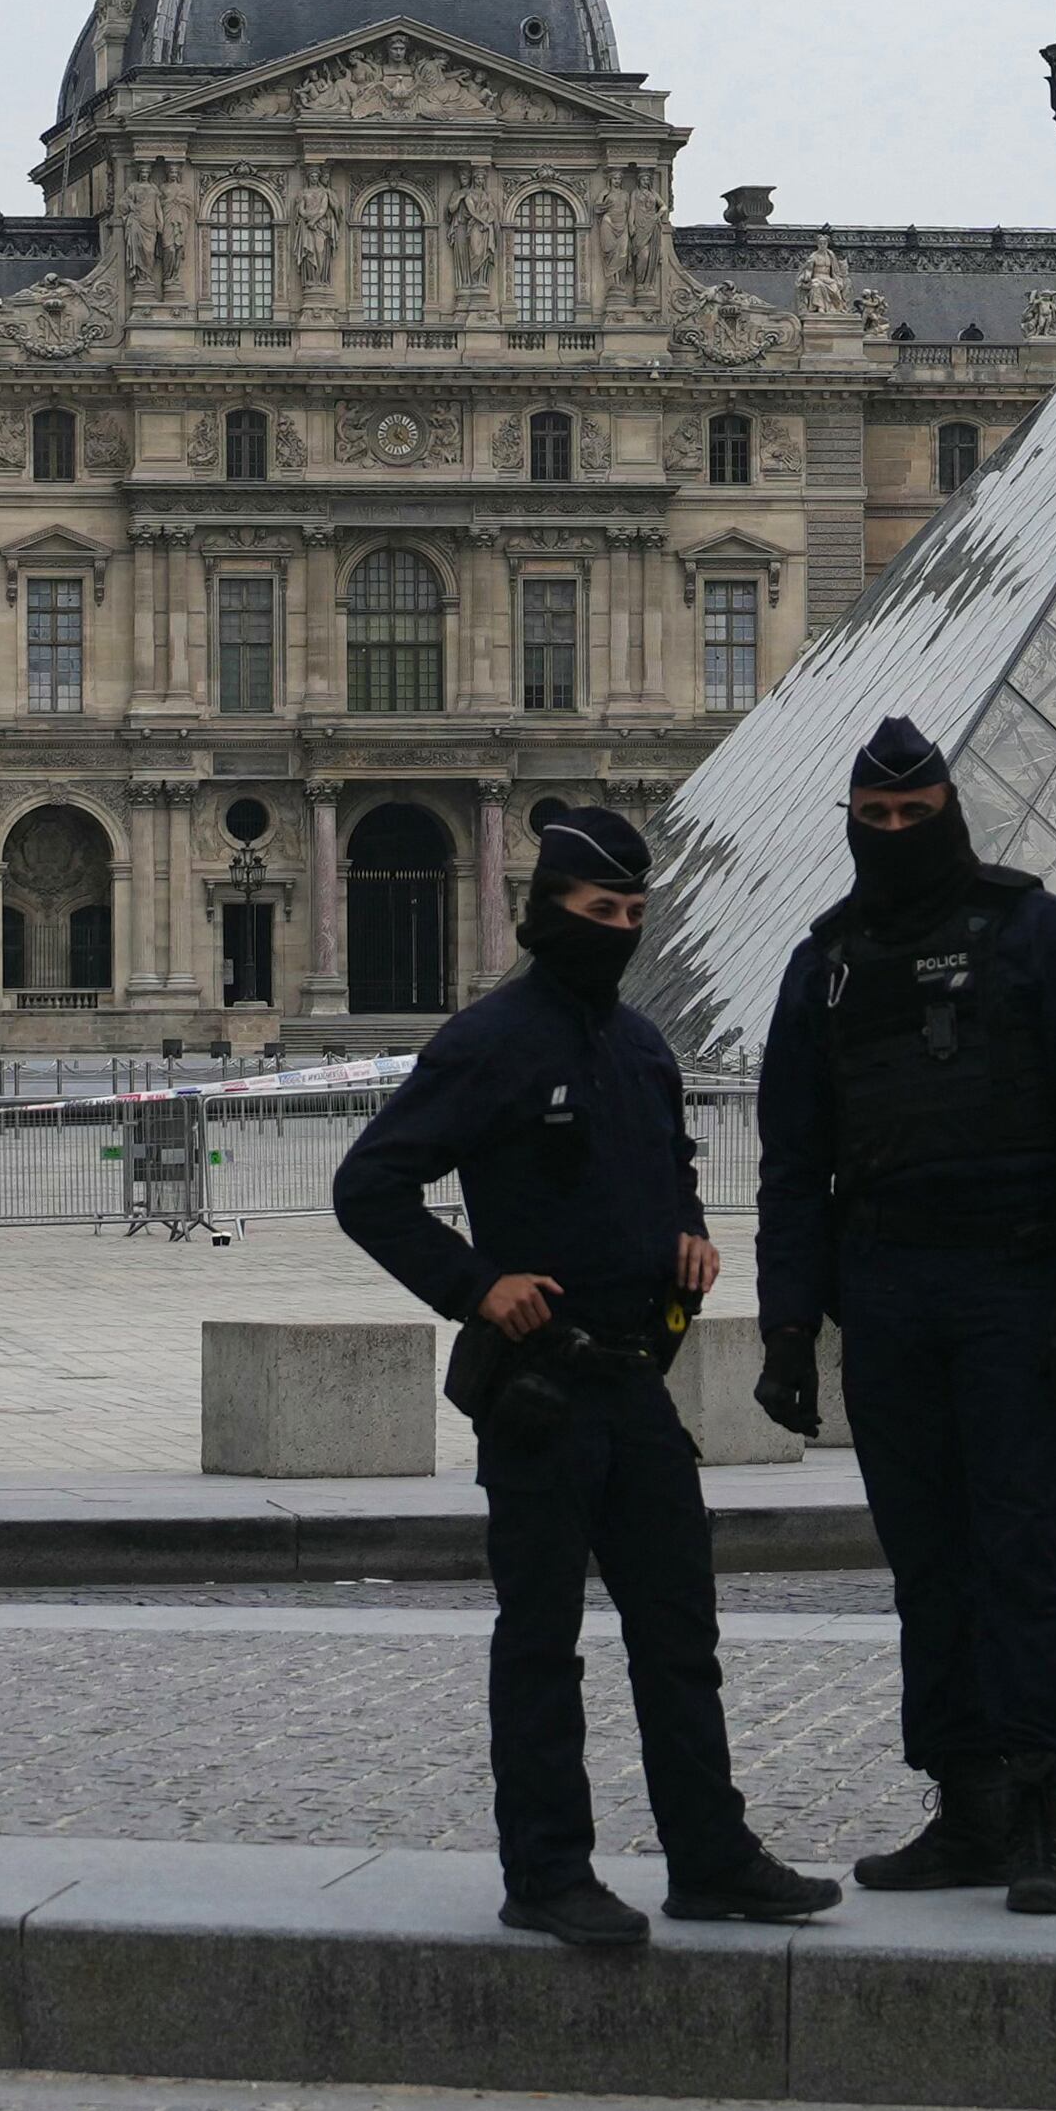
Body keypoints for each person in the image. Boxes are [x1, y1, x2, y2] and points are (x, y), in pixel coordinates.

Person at [334, 802, 841, 1951]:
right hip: (541, 1392)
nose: (616, 927)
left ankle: (709, 1856)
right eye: (597, 910)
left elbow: (667, 1162)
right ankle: (547, 1870)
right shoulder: (489, 1039)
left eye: (631, 912)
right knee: (541, 1640)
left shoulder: (641, 1041)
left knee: (679, 1633)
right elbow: (368, 1185)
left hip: (634, 1382)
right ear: (544, 913)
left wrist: (690, 1229)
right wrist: (473, 1286)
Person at [748, 715, 1056, 1913]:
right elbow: (790, 1159)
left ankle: (1037, 1819)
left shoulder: (1038, 934)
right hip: (888, 1291)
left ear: (953, 812)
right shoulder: (822, 963)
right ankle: (962, 1807)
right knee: (926, 1562)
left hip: (1013, 1290)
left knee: (1015, 1550)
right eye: (877, 822)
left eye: (917, 819)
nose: (898, 836)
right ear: (852, 826)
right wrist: (784, 1330)